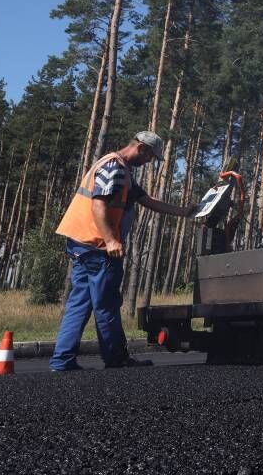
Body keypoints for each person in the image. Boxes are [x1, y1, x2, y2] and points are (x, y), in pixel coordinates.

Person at [49, 131, 195, 371]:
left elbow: (147, 200)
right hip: (98, 247)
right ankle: (116, 359)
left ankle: (62, 361)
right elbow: (98, 204)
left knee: (79, 303)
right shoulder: (115, 168)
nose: (149, 162)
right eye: (150, 157)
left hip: (82, 243)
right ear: (141, 149)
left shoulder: (120, 168)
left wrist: (183, 212)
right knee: (106, 304)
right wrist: (111, 240)